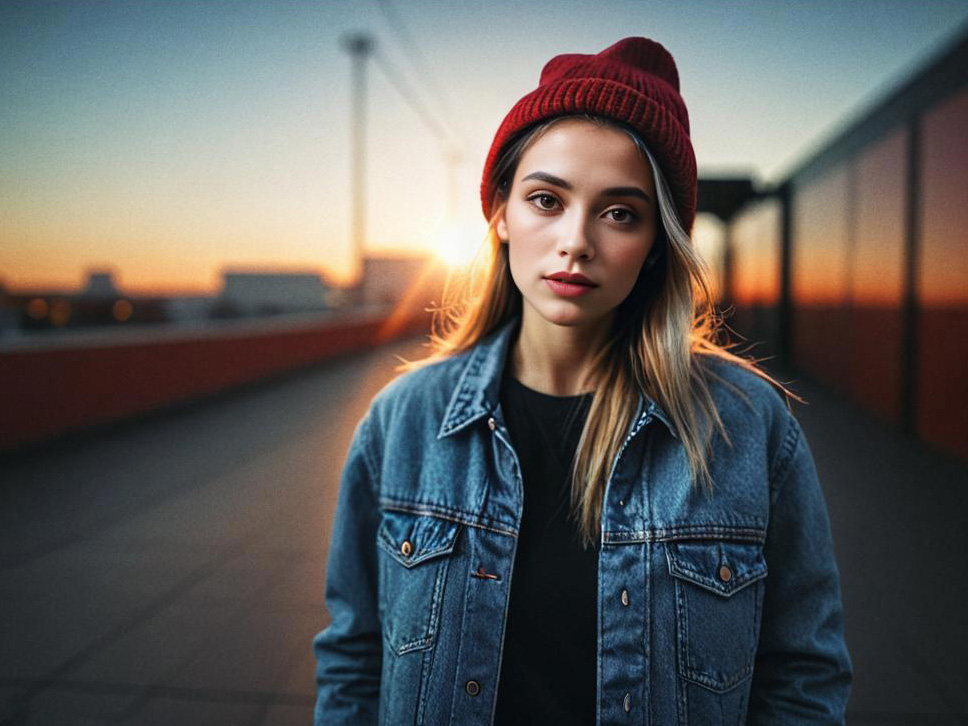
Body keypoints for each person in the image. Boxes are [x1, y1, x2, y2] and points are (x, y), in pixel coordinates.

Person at [313, 36, 852, 725]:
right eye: (547, 199)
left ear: (658, 241)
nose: (577, 240)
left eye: (620, 212)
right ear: (501, 214)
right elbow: (355, 658)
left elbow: (803, 674)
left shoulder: (747, 425)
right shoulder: (404, 421)